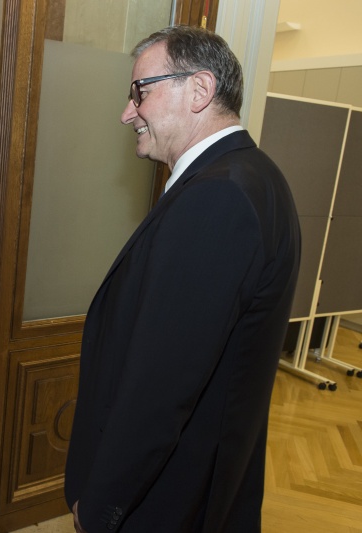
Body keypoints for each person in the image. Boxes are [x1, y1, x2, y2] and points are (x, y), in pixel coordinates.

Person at [64, 26, 301, 533]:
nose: (128, 113)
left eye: (140, 92)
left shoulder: (217, 199)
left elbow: (161, 390)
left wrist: (101, 505)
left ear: (199, 90)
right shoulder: (256, 176)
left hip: (168, 502)